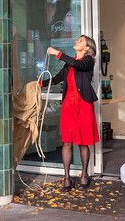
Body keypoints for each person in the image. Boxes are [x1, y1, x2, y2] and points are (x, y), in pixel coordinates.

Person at [41, 35, 99, 191]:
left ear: (87, 48)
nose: (76, 42)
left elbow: (77, 65)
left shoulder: (88, 61)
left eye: (80, 41)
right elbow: (58, 78)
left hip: (84, 105)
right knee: (67, 142)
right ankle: (66, 178)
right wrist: (40, 84)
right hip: (68, 106)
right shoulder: (69, 64)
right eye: (77, 40)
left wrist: (57, 53)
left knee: (82, 141)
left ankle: (84, 174)